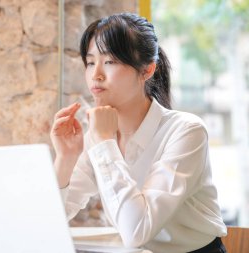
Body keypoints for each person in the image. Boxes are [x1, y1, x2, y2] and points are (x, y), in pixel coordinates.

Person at [50, 13, 227, 253]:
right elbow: (50, 219)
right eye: (91, 62)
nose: (96, 74)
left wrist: (104, 142)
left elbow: (136, 231)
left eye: (110, 61)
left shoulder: (187, 132)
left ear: (147, 70)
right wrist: (66, 158)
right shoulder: (97, 136)